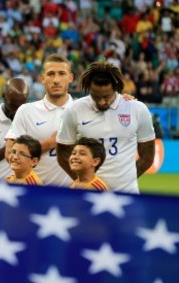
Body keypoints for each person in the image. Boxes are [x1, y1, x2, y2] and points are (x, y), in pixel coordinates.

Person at [57, 62, 155, 194]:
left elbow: (147, 155)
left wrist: (127, 180)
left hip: (127, 194)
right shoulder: (74, 110)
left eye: (106, 97)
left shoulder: (137, 109)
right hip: (87, 194)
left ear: (116, 88)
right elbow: (63, 153)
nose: (102, 101)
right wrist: (86, 182)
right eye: (96, 97)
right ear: (88, 89)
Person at [4, 54, 74, 186]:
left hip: (74, 194)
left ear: (70, 78)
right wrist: (49, 143)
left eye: (62, 74)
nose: (56, 80)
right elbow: (9, 154)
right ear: (42, 78)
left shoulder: (82, 110)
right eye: (51, 74)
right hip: (35, 194)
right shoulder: (26, 111)